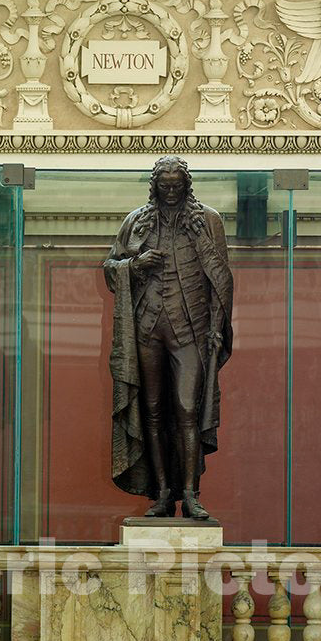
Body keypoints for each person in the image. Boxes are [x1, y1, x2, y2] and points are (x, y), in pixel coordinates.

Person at [103, 156, 233, 519]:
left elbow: (222, 280)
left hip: (190, 328)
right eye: (165, 185)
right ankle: (162, 493)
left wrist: (218, 328)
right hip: (147, 327)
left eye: (178, 185)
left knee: (188, 411)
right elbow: (110, 268)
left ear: (186, 185)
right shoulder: (136, 222)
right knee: (153, 412)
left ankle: (190, 492)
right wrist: (135, 265)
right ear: (155, 186)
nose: (171, 190)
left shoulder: (208, 221)